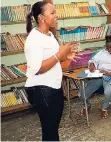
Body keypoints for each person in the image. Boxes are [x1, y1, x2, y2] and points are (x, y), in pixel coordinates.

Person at [24, 1, 78, 141]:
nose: (56, 16)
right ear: (41, 17)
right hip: (42, 90)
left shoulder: (49, 35)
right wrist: (60, 54)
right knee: (50, 131)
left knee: (52, 129)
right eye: (52, 13)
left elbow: (52, 60)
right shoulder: (34, 39)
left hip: (53, 87)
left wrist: (65, 56)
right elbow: (37, 69)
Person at [79, 35, 111, 119]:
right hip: (98, 76)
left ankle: (104, 107)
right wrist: (92, 65)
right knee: (82, 91)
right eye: (107, 47)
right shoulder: (102, 52)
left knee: (110, 93)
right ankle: (87, 105)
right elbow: (93, 60)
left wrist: (109, 73)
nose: (109, 50)